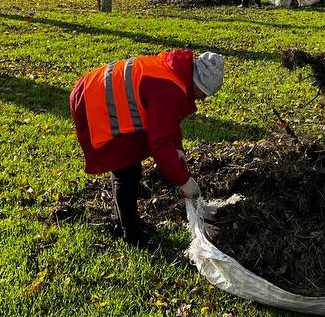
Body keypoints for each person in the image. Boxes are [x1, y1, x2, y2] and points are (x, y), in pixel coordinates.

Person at [69, 50, 225, 248]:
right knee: (126, 170)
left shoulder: (175, 74)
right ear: (198, 83)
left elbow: (169, 123)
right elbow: (159, 143)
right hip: (94, 101)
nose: (203, 99)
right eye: (204, 93)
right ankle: (132, 235)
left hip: (98, 92)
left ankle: (128, 221)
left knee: (127, 167)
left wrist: (178, 149)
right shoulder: (167, 88)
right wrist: (184, 181)